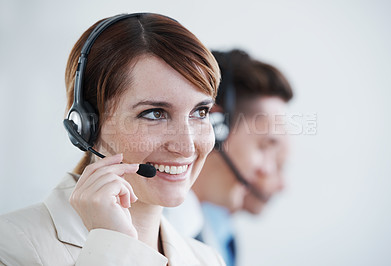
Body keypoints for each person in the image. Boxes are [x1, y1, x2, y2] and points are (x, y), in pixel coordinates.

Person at [0, 13, 225, 265]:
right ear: (86, 125)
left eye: (200, 112)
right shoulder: (12, 245)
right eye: (154, 114)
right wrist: (112, 249)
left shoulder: (207, 259)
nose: (186, 146)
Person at [164, 49, 293, 266]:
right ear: (215, 126)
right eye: (264, 146)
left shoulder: (211, 234)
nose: (268, 170)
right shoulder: (148, 231)